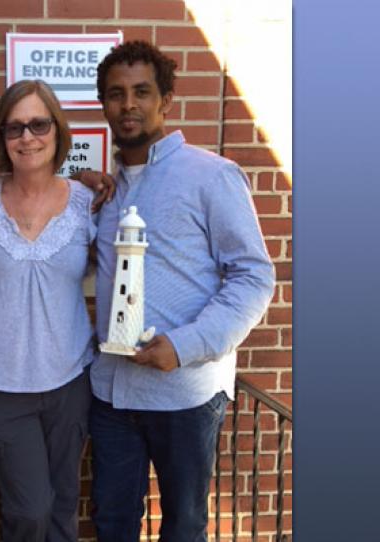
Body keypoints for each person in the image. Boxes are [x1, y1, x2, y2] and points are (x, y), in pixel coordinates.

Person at [89, 40, 276, 542]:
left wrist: (185, 345)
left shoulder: (211, 176)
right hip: (111, 394)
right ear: (104, 104)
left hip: (184, 395)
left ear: (165, 101)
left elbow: (255, 276)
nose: (128, 105)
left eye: (142, 92)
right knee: (111, 522)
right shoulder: (105, 192)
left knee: (183, 526)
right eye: (115, 94)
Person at [0, 80, 96, 542]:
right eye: (14, 127)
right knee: (31, 510)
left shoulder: (86, 203)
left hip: (69, 380)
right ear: (1, 138)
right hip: (2, 382)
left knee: (63, 504)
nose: (28, 137)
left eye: (39, 124)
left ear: (57, 131)